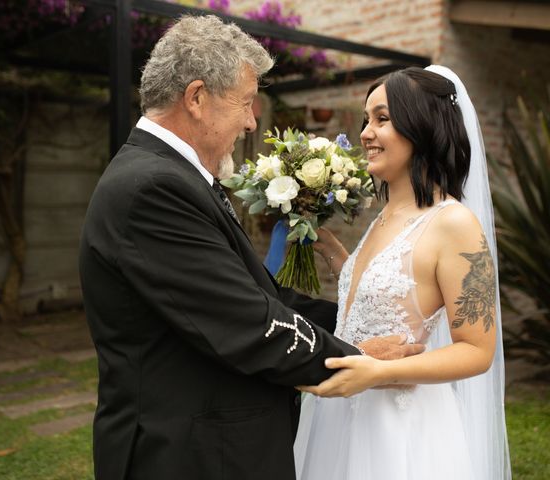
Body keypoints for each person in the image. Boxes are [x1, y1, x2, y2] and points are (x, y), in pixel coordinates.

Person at [79, 15, 421, 480]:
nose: (250, 120)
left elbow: (259, 294)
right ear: (197, 97)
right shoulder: (151, 189)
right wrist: (356, 358)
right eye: (245, 102)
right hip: (186, 454)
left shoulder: (170, 177)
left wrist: (351, 320)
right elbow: (245, 320)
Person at [293, 65, 511, 480]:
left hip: (398, 428)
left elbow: (477, 350)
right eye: (365, 120)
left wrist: (382, 371)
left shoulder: (454, 223)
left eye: (382, 119)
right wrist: (332, 250)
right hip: (339, 412)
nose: (365, 133)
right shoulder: (386, 214)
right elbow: (386, 296)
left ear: (422, 125)